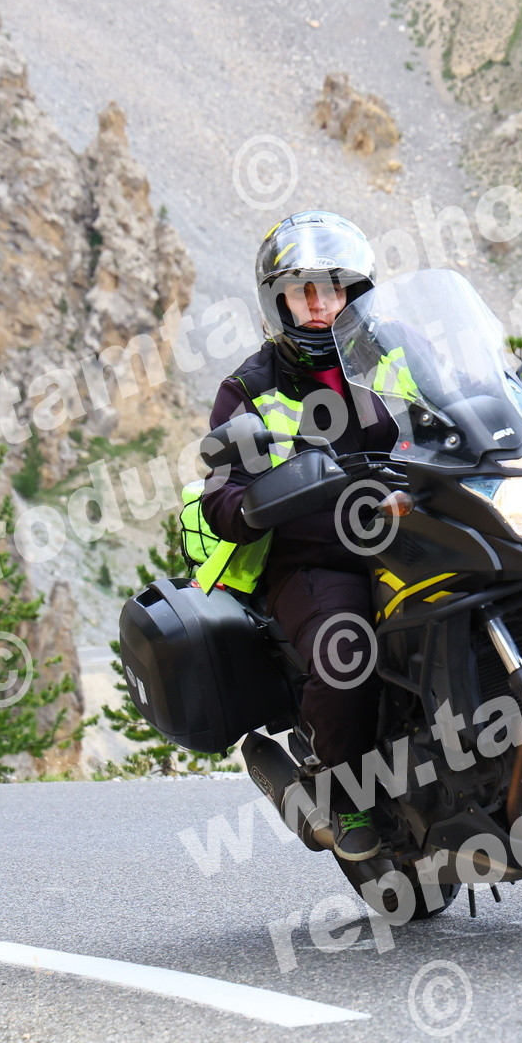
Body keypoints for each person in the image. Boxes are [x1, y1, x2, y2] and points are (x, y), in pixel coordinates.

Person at [200, 210, 394, 862]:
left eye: (333, 288)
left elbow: (461, 395)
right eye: (301, 291)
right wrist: (256, 501)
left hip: (410, 530)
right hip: (315, 559)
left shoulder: (392, 356)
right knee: (347, 647)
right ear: (277, 302)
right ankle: (344, 794)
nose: (319, 304)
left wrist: (519, 397)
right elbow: (221, 495)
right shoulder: (249, 389)